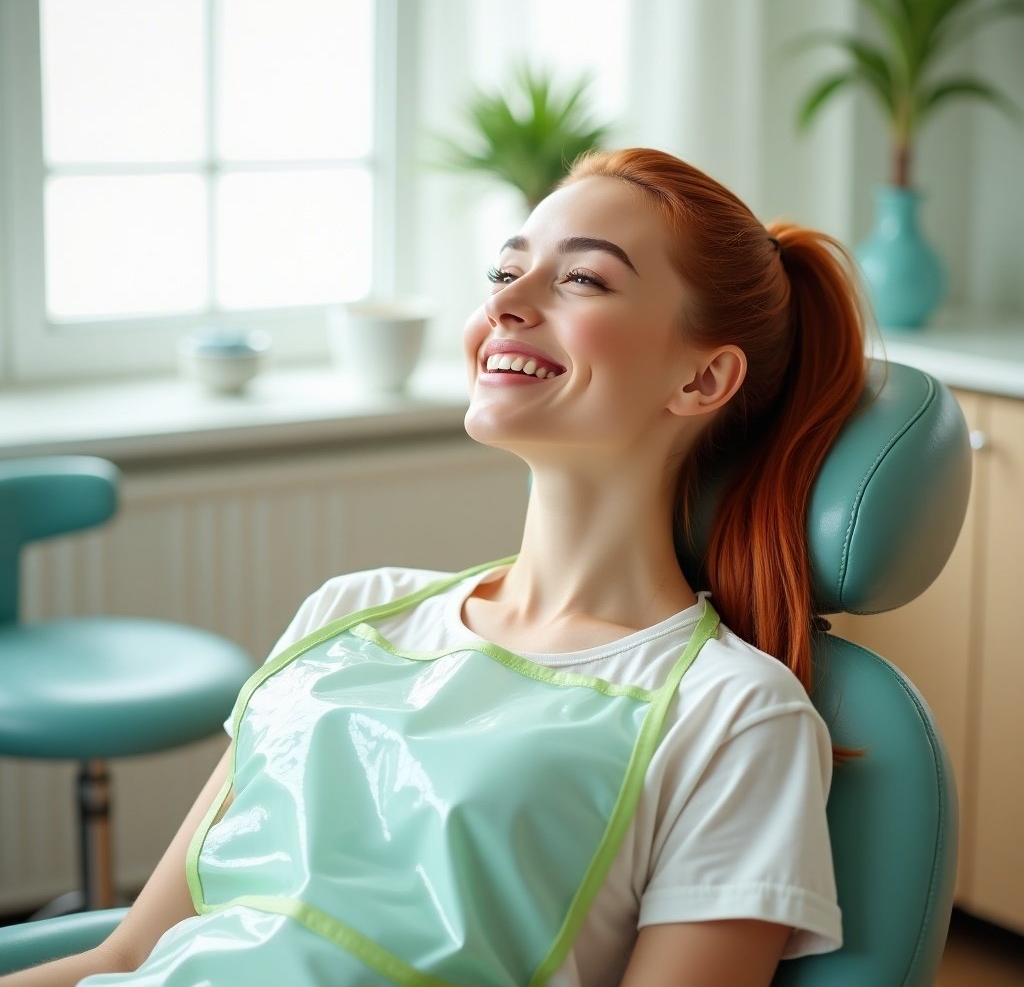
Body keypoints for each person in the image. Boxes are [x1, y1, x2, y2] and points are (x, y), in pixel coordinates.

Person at [3, 147, 866, 987]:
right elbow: (126, 957)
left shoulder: (732, 714)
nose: (508, 304)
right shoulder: (350, 614)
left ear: (704, 377)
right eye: (503, 273)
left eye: (582, 280)